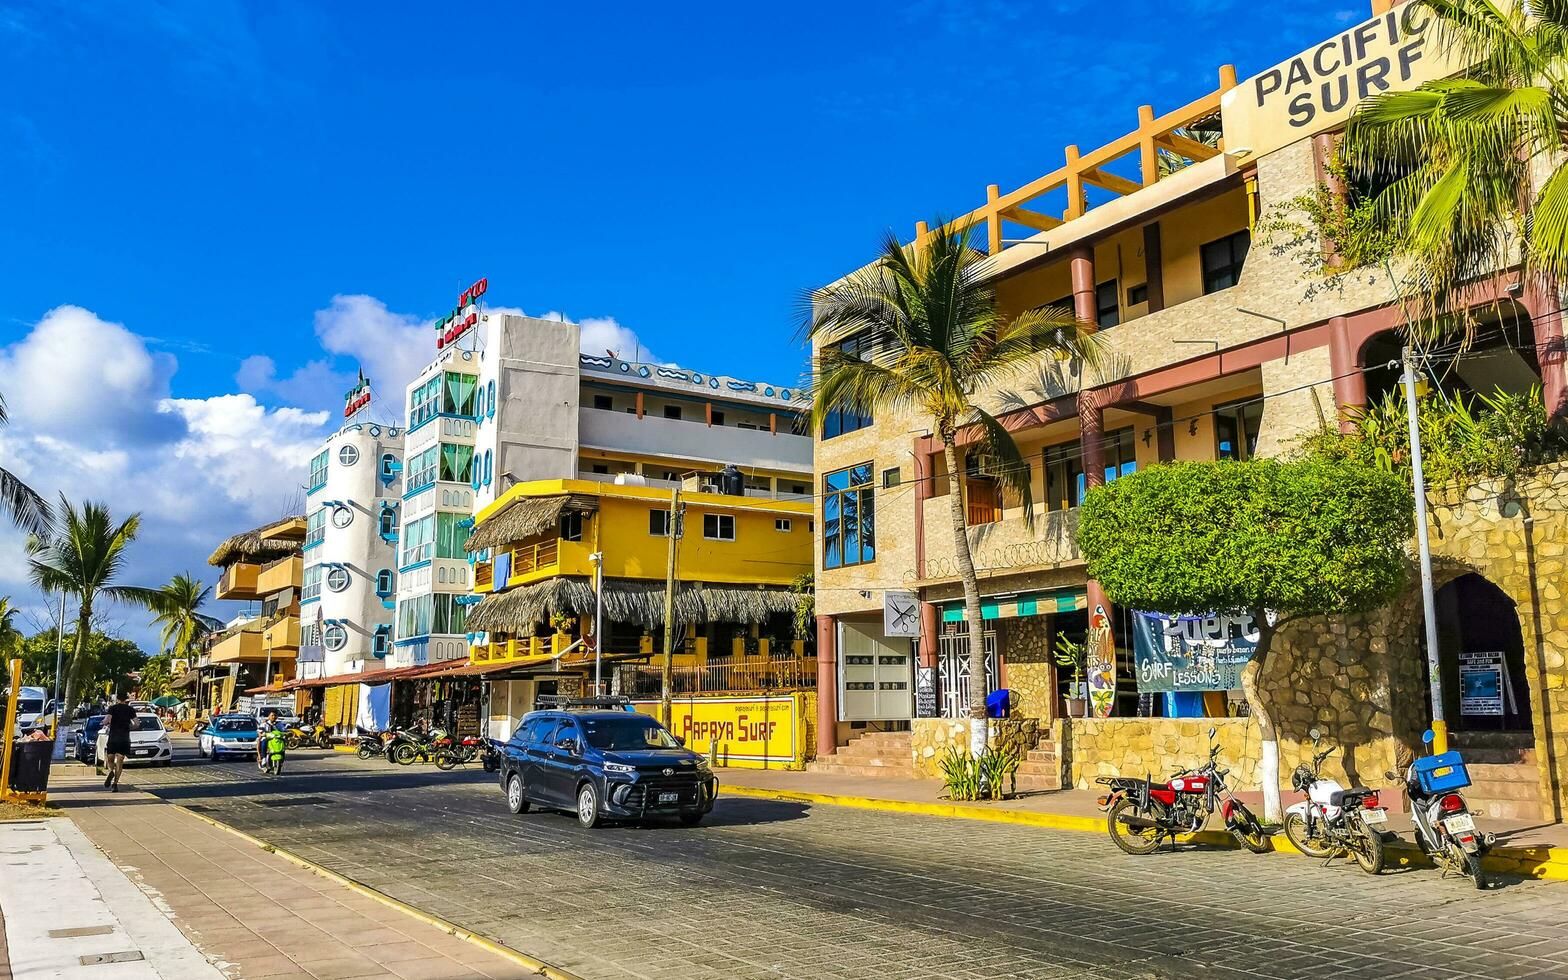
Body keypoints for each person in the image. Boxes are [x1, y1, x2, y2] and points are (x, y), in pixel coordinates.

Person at [103, 693, 137, 792]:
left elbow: (107, 720)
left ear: (117, 699)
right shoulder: (130, 710)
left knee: (110, 758)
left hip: (113, 737)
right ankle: (115, 784)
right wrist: (129, 728)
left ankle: (110, 771)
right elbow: (137, 724)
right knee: (120, 761)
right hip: (124, 738)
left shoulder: (112, 708)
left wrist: (104, 723)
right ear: (125, 699)